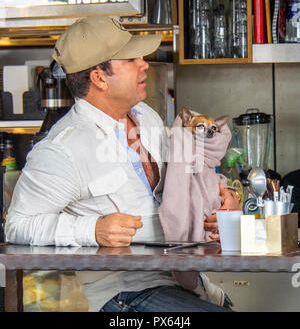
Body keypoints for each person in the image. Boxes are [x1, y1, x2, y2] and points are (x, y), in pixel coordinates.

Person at [6, 16, 239, 312]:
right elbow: (18, 225)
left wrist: (222, 198)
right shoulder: (62, 149)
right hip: (122, 294)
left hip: (184, 280)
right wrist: (92, 230)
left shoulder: (146, 116)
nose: (144, 63)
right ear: (99, 78)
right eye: (130, 59)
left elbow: (183, 183)